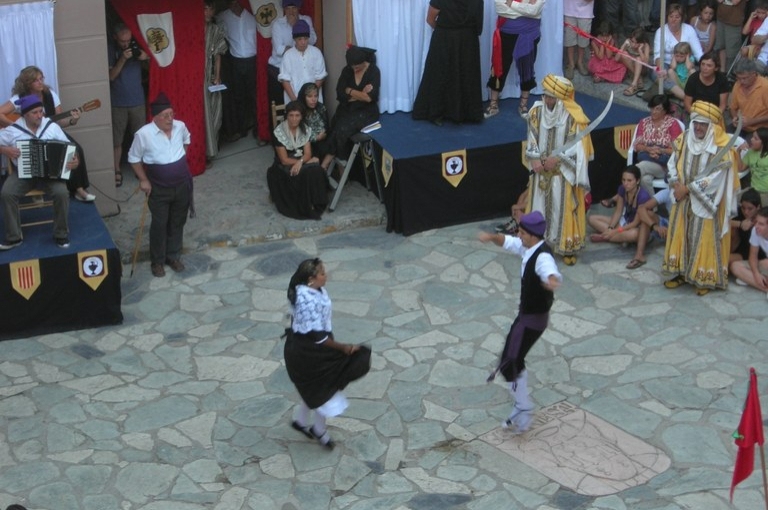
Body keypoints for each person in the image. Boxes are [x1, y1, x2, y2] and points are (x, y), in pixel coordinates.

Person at [477, 211, 562, 434]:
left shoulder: (542, 257)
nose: (519, 235)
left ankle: (523, 409)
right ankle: (521, 407)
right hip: (527, 317)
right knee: (512, 361)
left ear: (533, 235)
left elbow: (548, 270)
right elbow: (509, 242)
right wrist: (491, 237)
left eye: (522, 232)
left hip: (532, 321)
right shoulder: (529, 247)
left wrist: (552, 280)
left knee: (510, 362)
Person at [284, 258, 371, 449]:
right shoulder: (306, 301)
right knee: (324, 391)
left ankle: (300, 421)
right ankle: (319, 430)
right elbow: (319, 338)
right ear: (310, 279)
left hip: (307, 350)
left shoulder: (311, 290)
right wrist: (345, 348)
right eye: (322, 273)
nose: (326, 276)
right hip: (309, 355)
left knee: (314, 389)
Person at [663, 100, 741, 296]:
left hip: (706, 201)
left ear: (712, 126)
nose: (698, 127)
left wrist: (688, 189)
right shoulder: (685, 138)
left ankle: (703, 277)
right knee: (682, 234)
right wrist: (676, 184)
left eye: (703, 124)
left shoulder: (722, 148)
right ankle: (681, 272)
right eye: (696, 123)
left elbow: (716, 178)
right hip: (681, 196)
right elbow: (673, 162)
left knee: (704, 238)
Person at [525, 74, 592, 266]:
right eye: (546, 96)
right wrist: (535, 158)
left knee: (563, 209)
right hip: (541, 172)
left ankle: (567, 247)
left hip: (562, 174)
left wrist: (558, 159)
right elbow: (531, 136)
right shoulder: (536, 112)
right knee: (538, 208)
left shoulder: (574, 116)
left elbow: (579, 145)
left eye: (552, 97)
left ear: (561, 98)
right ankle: (537, 245)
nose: (548, 100)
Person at [0, 66, 94, 202]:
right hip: (28, 133)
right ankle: (37, 186)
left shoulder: (50, 94)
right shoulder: (19, 98)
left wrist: (73, 120)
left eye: (41, 78)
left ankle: (78, 189)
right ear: (27, 83)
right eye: (36, 80)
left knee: (74, 148)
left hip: (49, 130)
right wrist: (17, 127)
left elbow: (60, 122)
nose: (40, 82)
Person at [0, 95, 79, 250]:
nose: (40, 115)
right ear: (25, 115)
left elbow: (69, 148)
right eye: (35, 112)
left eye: (41, 111)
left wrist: (75, 161)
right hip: (24, 174)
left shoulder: (51, 126)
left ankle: (61, 234)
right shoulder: (14, 130)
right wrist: (4, 150)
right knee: (7, 193)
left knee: (62, 192)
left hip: (50, 176)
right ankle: (14, 237)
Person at [127, 93, 193, 278]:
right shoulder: (143, 134)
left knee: (177, 221)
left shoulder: (180, 126)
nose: (170, 119)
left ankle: (173, 256)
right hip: (159, 187)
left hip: (181, 184)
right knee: (159, 223)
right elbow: (133, 159)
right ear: (154, 117)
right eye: (165, 116)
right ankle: (157, 261)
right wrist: (143, 179)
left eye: (171, 114)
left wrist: (176, 164)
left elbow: (187, 141)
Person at [411, 0, 484, 125]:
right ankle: (467, 112)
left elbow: (430, 19)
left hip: (446, 38)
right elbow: (479, 24)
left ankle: (437, 113)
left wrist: (444, 30)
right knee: (466, 75)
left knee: (441, 75)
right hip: (467, 40)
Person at [320, 46, 380, 171]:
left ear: (364, 62)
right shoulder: (347, 70)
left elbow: (369, 98)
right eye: (353, 67)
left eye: (357, 67)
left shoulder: (373, 71)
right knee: (335, 124)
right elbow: (340, 94)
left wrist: (350, 90)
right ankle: (335, 167)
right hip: (347, 108)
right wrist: (360, 94)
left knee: (342, 128)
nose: (355, 69)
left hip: (366, 111)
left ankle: (327, 164)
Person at [267, 101, 329, 219]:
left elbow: (308, 154)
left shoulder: (305, 129)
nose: (294, 119)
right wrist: (301, 162)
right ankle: (304, 205)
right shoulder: (279, 132)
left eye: (297, 115)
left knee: (316, 169)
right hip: (283, 165)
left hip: (300, 160)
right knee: (300, 172)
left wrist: (300, 162)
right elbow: (284, 159)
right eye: (291, 115)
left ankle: (315, 202)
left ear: (301, 116)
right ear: (287, 116)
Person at [485, 0, 546, 118]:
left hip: (528, 33)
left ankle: (523, 105)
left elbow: (534, 11)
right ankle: (493, 104)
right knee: (499, 66)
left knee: (526, 68)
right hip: (506, 32)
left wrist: (511, 4)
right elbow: (500, 8)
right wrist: (525, 9)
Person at [109, 23, 149, 188]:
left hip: (137, 100)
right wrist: (123, 58)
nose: (126, 44)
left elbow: (153, 66)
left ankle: (139, 169)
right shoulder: (111, 50)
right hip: (118, 101)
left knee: (139, 137)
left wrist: (143, 56)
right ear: (115, 38)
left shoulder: (137, 45)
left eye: (128, 40)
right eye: (122, 41)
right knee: (117, 140)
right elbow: (111, 76)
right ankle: (116, 169)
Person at [217, 0, 258, 141]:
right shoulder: (224, 16)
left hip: (253, 61)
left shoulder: (254, 15)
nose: (235, 6)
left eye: (237, 3)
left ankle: (258, 127)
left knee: (254, 96)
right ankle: (241, 128)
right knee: (238, 96)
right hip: (236, 61)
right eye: (231, 4)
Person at [632, 94, 684, 196]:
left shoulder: (672, 124)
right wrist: (649, 149)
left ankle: (622, 198)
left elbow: (677, 149)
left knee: (638, 169)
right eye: (652, 108)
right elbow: (637, 146)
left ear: (665, 110)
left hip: (665, 165)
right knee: (645, 179)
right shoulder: (644, 122)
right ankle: (651, 208)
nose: (653, 111)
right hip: (647, 158)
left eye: (657, 109)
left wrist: (660, 151)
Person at [268, 0, 318, 107]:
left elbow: (313, 40)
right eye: (288, 8)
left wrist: (298, 26)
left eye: (294, 8)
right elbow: (279, 49)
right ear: (284, 9)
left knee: (301, 100)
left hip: (298, 67)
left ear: (299, 8)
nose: (291, 12)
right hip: (278, 67)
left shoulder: (306, 20)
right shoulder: (277, 24)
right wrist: (299, 36)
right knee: (279, 103)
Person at [588, 165, 652, 244]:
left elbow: (635, 223)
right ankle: (616, 237)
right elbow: (618, 212)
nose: (625, 183)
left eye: (629, 180)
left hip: (635, 227)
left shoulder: (643, 197)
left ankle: (605, 237)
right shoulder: (622, 189)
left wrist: (615, 231)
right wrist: (610, 228)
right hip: (624, 222)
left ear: (637, 181)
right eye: (623, 180)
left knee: (634, 234)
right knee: (592, 219)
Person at [652, 3, 703, 86]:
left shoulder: (689, 29)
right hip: (667, 64)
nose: (673, 19)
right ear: (667, 17)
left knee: (695, 74)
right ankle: (684, 95)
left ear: (682, 18)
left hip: (686, 65)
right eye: (671, 16)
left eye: (677, 17)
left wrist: (705, 65)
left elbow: (698, 53)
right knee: (659, 76)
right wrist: (662, 69)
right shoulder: (660, 31)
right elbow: (658, 55)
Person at [278, 20, 327, 104]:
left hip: (314, 101)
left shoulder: (316, 52)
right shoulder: (288, 55)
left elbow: (320, 77)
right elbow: (285, 80)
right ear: (294, 39)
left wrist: (311, 97)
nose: (303, 42)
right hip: (293, 100)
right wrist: (296, 101)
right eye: (299, 39)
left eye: (305, 38)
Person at [204, 0, 228, 168]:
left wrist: (217, 76)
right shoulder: (192, 28)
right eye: (204, 8)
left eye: (210, 8)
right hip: (196, 77)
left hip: (211, 76)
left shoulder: (216, 30)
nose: (207, 12)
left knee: (214, 114)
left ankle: (210, 151)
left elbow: (218, 54)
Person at [626, 187, 672, 269]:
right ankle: (639, 255)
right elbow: (641, 209)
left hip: (683, 230)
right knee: (646, 215)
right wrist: (654, 226)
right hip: (669, 225)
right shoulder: (667, 192)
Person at [729, 206, 768, 293]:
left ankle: (748, 279)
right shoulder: (755, 230)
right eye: (756, 222)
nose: (756, 226)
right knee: (735, 266)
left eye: (761, 224)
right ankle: (765, 288)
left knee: (766, 263)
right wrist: (756, 274)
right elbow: (752, 257)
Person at [729, 58, 768, 139]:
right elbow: (733, 108)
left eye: (744, 78)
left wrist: (752, 121)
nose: (741, 81)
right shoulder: (737, 84)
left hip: (760, 129)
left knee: (746, 148)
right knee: (724, 138)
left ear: (754, 74)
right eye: (738, 78)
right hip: (741, 126)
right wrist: (735, 118)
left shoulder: (765, 86)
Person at [563, 0, 594, 81]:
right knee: (569, 38)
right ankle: (571, 63)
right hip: (569, 9)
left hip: (586, 10)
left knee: (583, 39)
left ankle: (580, 62)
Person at [298, 82, 329, 161]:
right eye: (309, 96)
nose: (313, 99)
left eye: (316, 96)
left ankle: (323, 166)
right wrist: (316, 138)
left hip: (322, 139)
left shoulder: (321, 107)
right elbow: (298, 132)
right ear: (304, 97)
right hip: (306, 143)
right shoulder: (298, 110)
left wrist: (324, 134)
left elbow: (327, 125)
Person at [729, 188, 762, 262]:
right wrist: (740, 224)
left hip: (751, 253)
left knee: (722, 260)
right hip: (737, 246)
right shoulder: (739, 212)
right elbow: (722, 223)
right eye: (743, 208)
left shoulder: (763, 218)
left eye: (750, 209)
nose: (746, 212)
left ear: (758, 207)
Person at [618, 27, 651, 97]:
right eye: (632, 41)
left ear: (642, 42)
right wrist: (623, 46)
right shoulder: (628, 42)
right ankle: (639, 78)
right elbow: (616, 58)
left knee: (638, 58)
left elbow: (646, 63)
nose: (633, 45)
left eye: (636, 43)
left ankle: (634, 85)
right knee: (624, 54)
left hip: (642, 68)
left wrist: (640, 50)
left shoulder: (645, 45)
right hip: (631, 67)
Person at [714, 0, 746, 71]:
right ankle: (722, 71)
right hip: (721, 18)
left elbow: (735, 1)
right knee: (721, 46)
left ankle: (730, 73)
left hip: (734, 21)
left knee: (732, 51)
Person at [740, 127, 768, 205]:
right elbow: (741, 168)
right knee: (735, 200)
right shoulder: (750, 152)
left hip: (766, 192)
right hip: (754, 190)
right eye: (752, 137)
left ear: (764, 142)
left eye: (755, 139)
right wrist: (738, 151)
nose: (751, 139)